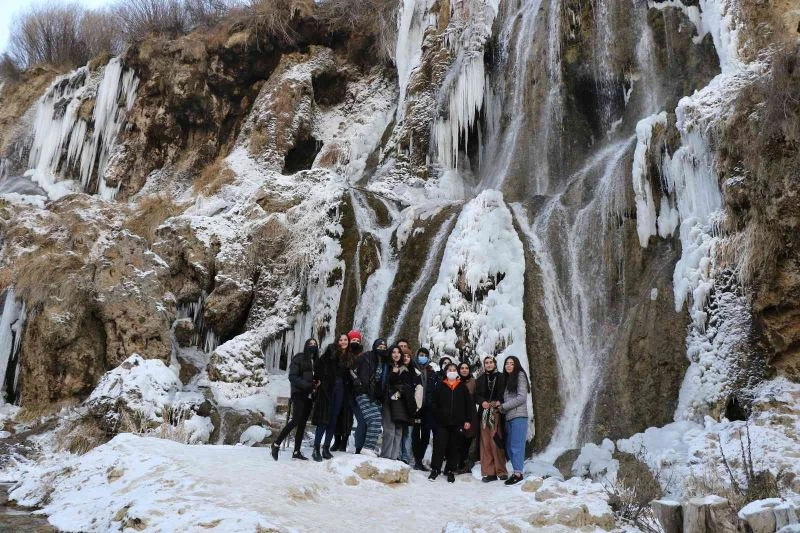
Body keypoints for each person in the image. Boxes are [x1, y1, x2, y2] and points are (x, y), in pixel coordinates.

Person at [271, 338, 318, 461]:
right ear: (306, 345)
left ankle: (296, 451)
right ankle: (276, 444)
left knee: (302, 424)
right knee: (296, 420)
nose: (312, 346)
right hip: (299, 394)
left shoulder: (316, 361)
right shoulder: (299, 357)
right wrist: (307, 385)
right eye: (310, 344)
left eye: (315, 344)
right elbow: (293, 376)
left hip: (309, 396)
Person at [310, 333, 353, 461]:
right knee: (324, 419)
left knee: (333, 419)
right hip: (328, 389)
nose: (343, 342)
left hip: (340, 390)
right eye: (341, 339)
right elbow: (318, 365)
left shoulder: (349, 356)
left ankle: (326, 448)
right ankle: (316, 448)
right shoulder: (331, 351)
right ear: (337, 341)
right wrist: (320, 381)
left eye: (345, 340)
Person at [429, 363, 473, 483]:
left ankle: (450, 470)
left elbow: (468, 405)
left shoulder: (462, 387)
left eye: (454, 370)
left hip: (458, 423)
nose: (452, 371)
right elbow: (434, 403)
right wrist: (438, 415)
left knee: (454, 447)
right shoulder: (440, 386)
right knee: (439, 446)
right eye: (450, 369)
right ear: (446, 371)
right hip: (442, 423)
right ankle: (435, 469)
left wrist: (467, 420)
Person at [474, 355, 508, 482]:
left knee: (496, 441)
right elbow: (476, 395)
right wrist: (482, 402)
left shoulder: (502, 377)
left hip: (496, 413)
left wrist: (499, 401)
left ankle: (501, 471)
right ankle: (490, 472)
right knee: (485, 443)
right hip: (483, 414)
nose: (488, 365)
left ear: (495, 363)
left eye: (490, 362)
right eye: (486, 363)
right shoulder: (480, 379)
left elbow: (506, 393)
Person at [497, 355, 530, 485]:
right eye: (507, 363)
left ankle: (518, 474)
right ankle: (517, 471)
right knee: (510, 446)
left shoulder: (520, 375)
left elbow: (522, 397)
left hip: (519, 416)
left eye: (511, 363)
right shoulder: (509, 379)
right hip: (510, 417)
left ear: (516, 365)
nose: (509, 365)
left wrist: (503, 407)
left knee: (517, 446)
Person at [350, 336, 385, 457]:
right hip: (362, 393)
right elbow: (351, 369)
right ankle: (365, 448)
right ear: (374, 347)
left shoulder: (382, 361)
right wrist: (357, 383)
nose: (381, 349)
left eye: (384, 347)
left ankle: (368, 447)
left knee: (374, 419)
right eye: (379, 347)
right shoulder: (366, 357)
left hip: (373, 395)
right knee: (373, 419)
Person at [381, 346, 414, 459]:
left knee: (398, 430)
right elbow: (385, 383)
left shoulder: (405, 369)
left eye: (398, 352)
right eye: (393, 352)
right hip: (388, 401)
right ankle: (386, 456)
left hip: (401, 402)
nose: (396, 354)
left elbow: (408, 385)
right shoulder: (385, 366)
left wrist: (400, 391)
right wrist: (394, 373)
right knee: (389, 429)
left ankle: (394, 458)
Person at [411, 347, 437, 471]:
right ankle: (416, 460)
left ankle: (420, 459)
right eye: (421, 354)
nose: (423, 357)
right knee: (416, 435)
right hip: (416, 407)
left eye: (425, 355)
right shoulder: (412, 368)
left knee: (426, 435)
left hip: (428, 408)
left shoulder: (431, 371)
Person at [399, 347, 422, 464]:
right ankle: (397, 455)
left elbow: (419, 390)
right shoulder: (397, 370)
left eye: (408, 356)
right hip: (398, 406)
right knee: (399, 431)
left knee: (408, 433)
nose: (406, 358)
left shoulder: (416, 373)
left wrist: (416, 407)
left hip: (411, 407)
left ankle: (405, 457)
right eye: (404, 356)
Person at [456, 361, 478, 474]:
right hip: (458, 414)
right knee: (458, 439)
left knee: (468, 439)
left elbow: (477, 396)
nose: (464, 370)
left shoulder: (473, 382)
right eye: (462, 368)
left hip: (471, 414)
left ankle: (465, 464)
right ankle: (457, 463)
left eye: (466, 368)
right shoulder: (455, 381)